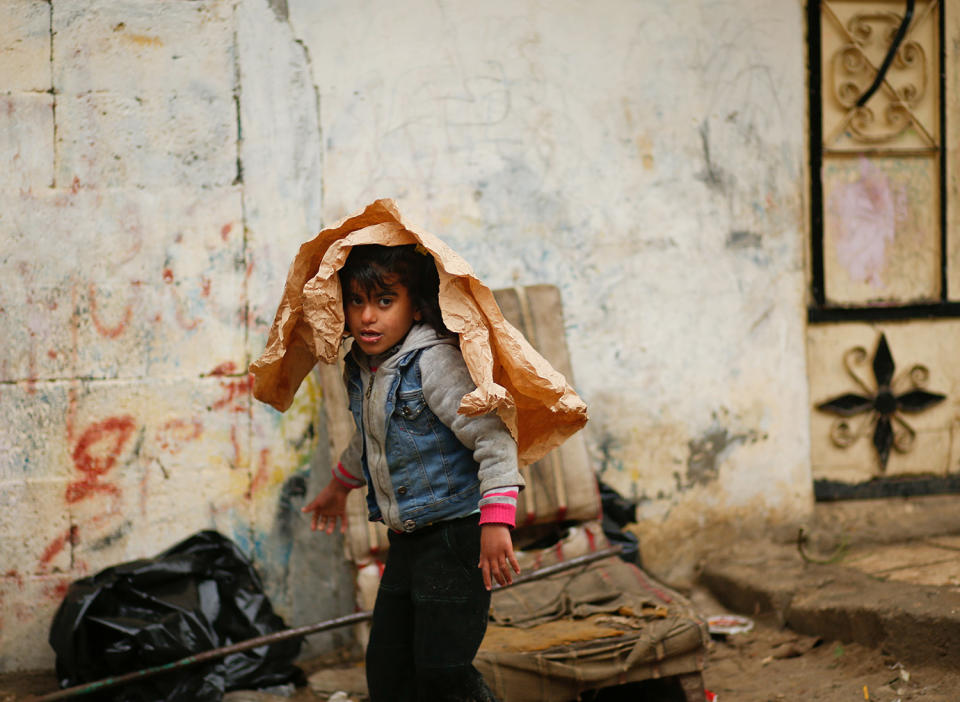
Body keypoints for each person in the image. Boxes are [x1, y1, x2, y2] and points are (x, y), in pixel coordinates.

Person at [301, 243, 524, 702]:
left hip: (457, 537)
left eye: (385, 302)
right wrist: (338, 488)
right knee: (389, 668)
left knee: (445, 672)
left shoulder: (433, 361)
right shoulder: (362, 368)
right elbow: (369, 440)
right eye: (357, 301)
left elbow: (492, 436)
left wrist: (497, 519)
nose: (367, 317)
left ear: (415, 305)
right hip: (407, 541)